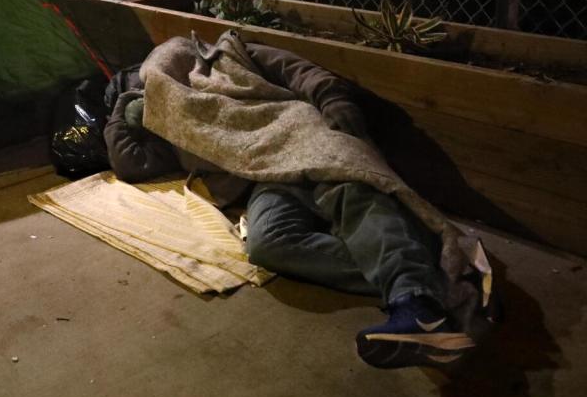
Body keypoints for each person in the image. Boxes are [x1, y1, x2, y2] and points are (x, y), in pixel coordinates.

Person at [102, 41, 475, 370]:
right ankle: (422, 286)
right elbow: (129, 163)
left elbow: (298, 71)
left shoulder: (230, 54)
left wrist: (332, 98)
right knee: (268, 244)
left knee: (354, 198)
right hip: (267, 178)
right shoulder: (169, 123)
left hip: (306, 140)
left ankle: (413, 301)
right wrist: (124, 110)